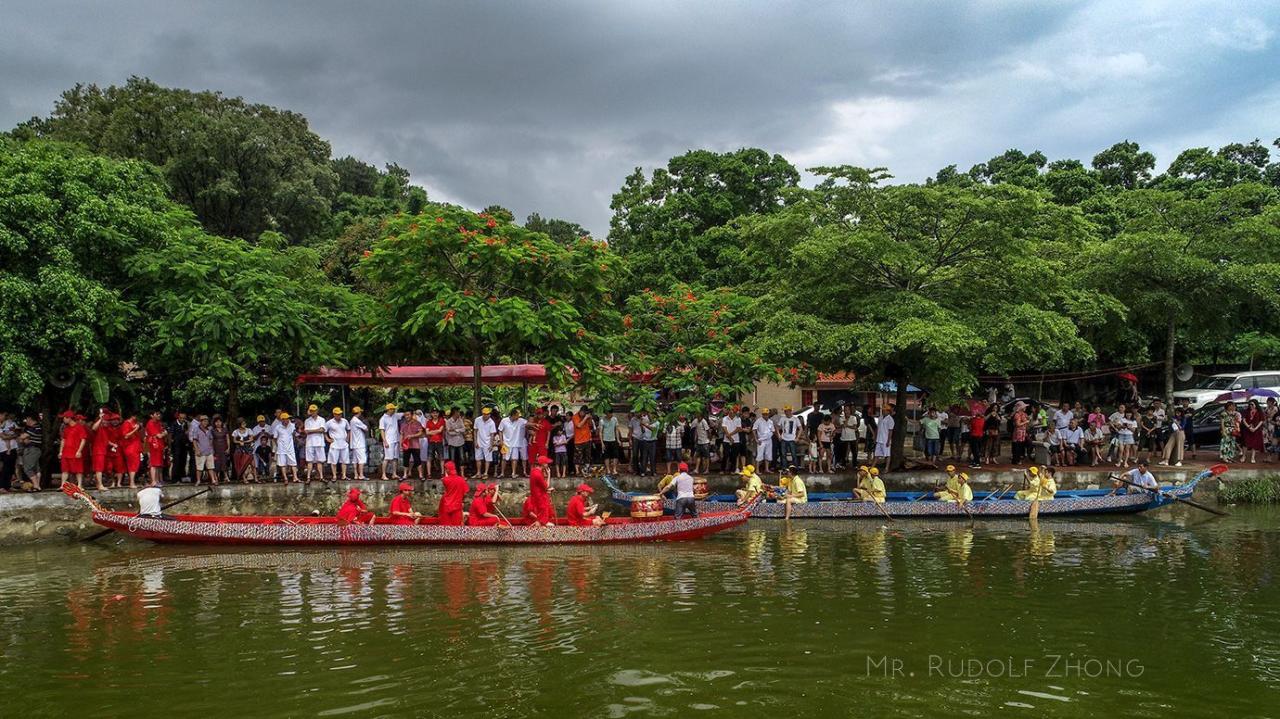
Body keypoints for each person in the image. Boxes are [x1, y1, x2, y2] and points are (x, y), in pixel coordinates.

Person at [498, 408, 528, 478]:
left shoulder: (520, 420)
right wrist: (501, 441)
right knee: (504, 459)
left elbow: (528, 423)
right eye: (517, 415)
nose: (518, 417)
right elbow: (500, 430)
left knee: (514, 459)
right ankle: (502, 473)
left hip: (515, 443)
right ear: (513, 415)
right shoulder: (504, 420)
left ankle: (513, 473)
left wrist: (535, 424)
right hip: (506, 443)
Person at [436, 460, 469, 526]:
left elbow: (445, 478)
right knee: (456, 526)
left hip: (446, 505)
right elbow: (465, 493)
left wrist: (446, 472)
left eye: (445, 469)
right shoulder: (461, 480)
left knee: (446, 526)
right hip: (457, 506)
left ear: (447, 470)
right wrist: (462, 500)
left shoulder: (445, 480)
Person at [59, 412, 88, 485]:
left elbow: (83, 440)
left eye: (64, 418)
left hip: (75, 452)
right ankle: (63, 485)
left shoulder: (79, 427)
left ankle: (79, 485)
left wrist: (79, 451)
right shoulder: (66, 428)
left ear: (69, 418)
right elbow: (63, 440)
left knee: (78, 470)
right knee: (64, 469)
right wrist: (61, 451)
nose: (63, 419)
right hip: (66, 452)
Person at [527, 455, 556, 526]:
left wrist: (547, 490)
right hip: (541, 499)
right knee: (542, 520)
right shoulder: (538, 474)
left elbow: (540, 487)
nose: (548, 465)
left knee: (540, 519)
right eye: (547, 463)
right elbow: (546, 486)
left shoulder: (533, 471)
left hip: (537, 497)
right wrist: (549, 474)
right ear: (543, 464)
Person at [271, 412, 300, 483]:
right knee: (282, 464)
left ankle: (295, 477)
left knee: (293, 463)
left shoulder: (292, 425)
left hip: (290, 448)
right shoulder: (278, 427)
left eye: (287, 419)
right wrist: (278, 445)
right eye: (285, 419)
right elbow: (275, 438)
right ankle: (285, 478)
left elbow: (295, 434)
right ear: (282, 420)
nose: (287, 420)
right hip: (281, 448)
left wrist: (295, 436)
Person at [16, 415, 43, 491]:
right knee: (36, 469)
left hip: (31, 450)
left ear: (30, 419)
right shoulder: (38, 427)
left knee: (28, 468)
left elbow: (21, 438)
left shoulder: (34, 428)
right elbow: (24, 439)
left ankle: (36, 485)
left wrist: (22, 438)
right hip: (35, 450)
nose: (26, 421)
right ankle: (38, 486)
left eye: (27, 419)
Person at [324, 407, 351, 481]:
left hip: (344, 443)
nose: (339, 415)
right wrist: (327, 439)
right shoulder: (329, 422)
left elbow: (348, 429)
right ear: (334, 414)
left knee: (344, 460)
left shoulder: (344, 421)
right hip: (334, 443)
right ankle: (334, 476)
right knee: (334, 461)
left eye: (340, 414)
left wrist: (348, 438)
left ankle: (344, 475)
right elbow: (324, 431)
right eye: (337, 414)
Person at [379, 403, 404, 480]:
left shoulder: (395, 415)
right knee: (387, 458)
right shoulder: (383, 419)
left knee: (395, 458)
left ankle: (394, 474)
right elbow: (382, 431)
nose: (394, 410)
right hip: (389, 440)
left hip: (396, 439)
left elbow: (404, 414)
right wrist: (385, 441)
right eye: (393, 409)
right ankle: (383, 474)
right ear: (389, 410)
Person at [302, 405, 327, 481]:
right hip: (310, 443)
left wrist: (311, 431)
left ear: (317, 411)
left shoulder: (322, 419)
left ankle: (321, 477)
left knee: (320, 461)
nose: (312, 412)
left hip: (319, 442)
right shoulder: (307, 420)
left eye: (314, 411)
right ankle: (308, 477)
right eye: (311, 411)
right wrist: (317, 430)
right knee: (309, 461)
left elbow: (322, 430)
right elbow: (306, 432)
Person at [144, 411, 167, 487]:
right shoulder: (150, 423)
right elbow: (159, 435)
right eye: (157, 414)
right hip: (154, 445)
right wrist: (164, 433)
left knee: (158, 464)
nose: (159, 415)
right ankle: (153, 481)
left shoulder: (158, 423)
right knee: (153, 464)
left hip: (159, 445)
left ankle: (157, 480)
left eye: (159, 414)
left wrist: (163, 433)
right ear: (151, 415)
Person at [571, 406, 595, 477]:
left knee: (587, 456)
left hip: (587, 439)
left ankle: (586, 470)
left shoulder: (586, 416)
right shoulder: (575, 417)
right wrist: (585, 418)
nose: (584, 414)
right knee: (578, 457)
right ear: (581, 411)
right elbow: (579, 425)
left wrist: (590, 418)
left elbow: (590, 425)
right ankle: (577, 471)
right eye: (583, 413)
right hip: (578, 440)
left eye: (585, 413)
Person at [231, 418, 257, 483]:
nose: (244, 425)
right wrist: (239, 442)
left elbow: (251, 439)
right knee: (242, 464)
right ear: (239, 424)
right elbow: (234, 440)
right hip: (240, 449)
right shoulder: (236, 431)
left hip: (248, 448)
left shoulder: (248, 430)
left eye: (245, 423)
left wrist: (244, 442)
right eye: (243, 423)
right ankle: (244, 478)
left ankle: (256, 478)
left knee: (253, 464)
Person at [1241, 399, 1265, 464]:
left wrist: (1255, 428)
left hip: (1256, 430)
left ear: (1256, 404)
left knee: (1254, 444)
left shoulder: (1260, 412)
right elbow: (1243, 420)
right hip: (1247, 430)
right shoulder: (1246, 411)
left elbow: (1261, 421)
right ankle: (1244, 456)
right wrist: (1248, 427)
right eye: (1250, 404)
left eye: (1252, 404)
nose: (1251, 406)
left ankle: (1252, 457)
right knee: (1245, 443)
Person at [752, 408, 775, 473]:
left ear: (769, 414)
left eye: (767, 414)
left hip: (769, 440)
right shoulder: (758, 421)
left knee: (768, 454)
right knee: (759, 455)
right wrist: (756, 439)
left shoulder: (770, 421)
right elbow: (754, 430)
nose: (765, 415)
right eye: (764, 414)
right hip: (761, 440)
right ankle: (757, 470)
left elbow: (773, 431)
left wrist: (770, 435)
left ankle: (766, 469)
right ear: (762, 414)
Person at [349, 406, 369, 479]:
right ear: (359, 413)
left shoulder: (352, 420)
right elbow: (366, 428)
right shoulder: (357, 421)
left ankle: (356, 474)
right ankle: (361, 475)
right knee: (361, 459)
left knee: (355, 460)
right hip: (359, 443)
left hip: (354, 443)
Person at [444, 408, 467, 472]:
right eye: (458, 412)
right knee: (452, 458)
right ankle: (453, 472)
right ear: (454, 413)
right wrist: (459, 431)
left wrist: (455, 430)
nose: (459, 413)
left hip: (460, 442)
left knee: (462, 458)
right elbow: (449, 432)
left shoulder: (460, 420)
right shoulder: (448, 421)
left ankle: (462, 473)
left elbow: (464, 429)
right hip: (452, 442)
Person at [874, 404, 895, 472]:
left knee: (887, 454)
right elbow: (878, 428)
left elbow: (890, 431)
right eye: (883, 410)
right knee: (876, 454)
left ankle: (886, 468)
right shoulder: (880, 417)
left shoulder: (890, 419)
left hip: (885, 439)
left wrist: (888, 441)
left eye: (885, 410)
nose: (883, 411)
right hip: (879, 439)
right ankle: (872, 466)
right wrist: (875, 437)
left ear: (888, 411)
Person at [600, 409, 621, 475]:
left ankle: (614, 469)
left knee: (615, 455)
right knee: (606, 456)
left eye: (612, 413)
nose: (611, 415)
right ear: (606, 413)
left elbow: (616, 430)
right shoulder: (602, 420)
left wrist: (618, 439)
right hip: (605, 440)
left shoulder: (615, 419)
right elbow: (600, 432)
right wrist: (602, 443)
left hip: (613, 439)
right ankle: (608, 469)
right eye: (609, 413)